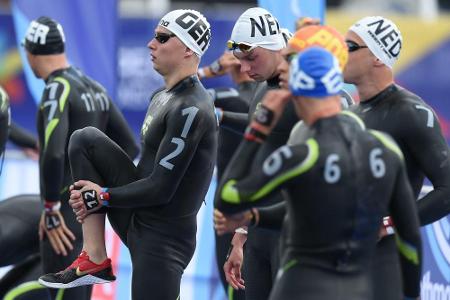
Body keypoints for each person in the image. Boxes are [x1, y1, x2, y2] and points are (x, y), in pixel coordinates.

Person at [215, 47, 422, 300]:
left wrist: (257, 129)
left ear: (295, 93)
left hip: (304, 284)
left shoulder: (304, 155)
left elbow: (227, 197)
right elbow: (410, 236)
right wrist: (410, 292)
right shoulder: (386, 149)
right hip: (363, 286)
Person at [39, 9, 217, 300]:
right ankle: (94, 255)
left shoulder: (192, 108)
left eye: (161, 38)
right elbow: (137, 160)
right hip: (138, 215)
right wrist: (96, 190)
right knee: (85, 139)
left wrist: (102, 195)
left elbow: (161, 188)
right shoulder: (160, 97)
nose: (151, 44)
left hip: (163, 238)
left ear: (187, 49)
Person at [21, 16, 139, 300]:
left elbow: (53, 153)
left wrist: (50, 208)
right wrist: (99, 192)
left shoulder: (56, 88)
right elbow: (129, 147)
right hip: (90, 218)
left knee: (61, 295)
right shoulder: (93, 86)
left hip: (62, 215)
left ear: (32, 52)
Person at [344, 16, 450, 300]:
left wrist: (388, 224)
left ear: (378, 58)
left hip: (384, 261)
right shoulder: (348, 115)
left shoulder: (410, 112)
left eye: (350, 46)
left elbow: (448, 189)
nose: (341, 52)